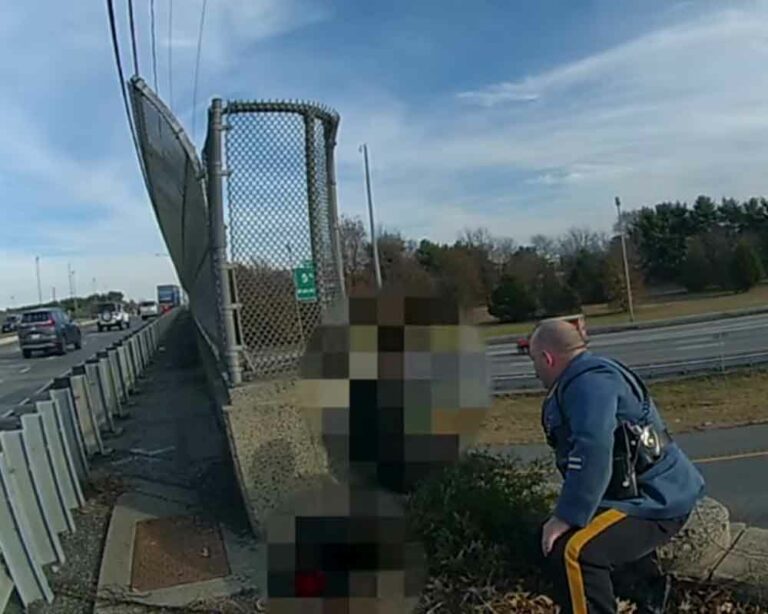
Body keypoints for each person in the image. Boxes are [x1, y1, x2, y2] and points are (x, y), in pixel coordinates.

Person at [529, 319, 705, 614]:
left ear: (548, 358)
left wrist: (566, 516)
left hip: (656, 500)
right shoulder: (587, 376)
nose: (534, 370)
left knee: (574, 552)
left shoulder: (588, 383)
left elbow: (592, 448)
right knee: (546, 540)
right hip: (636, 494)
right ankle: (643, 594)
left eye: (534, 360)